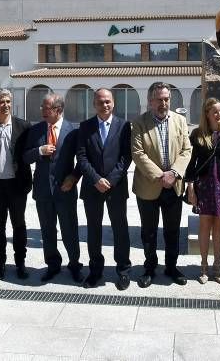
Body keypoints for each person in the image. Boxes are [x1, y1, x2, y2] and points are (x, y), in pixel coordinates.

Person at [131, 81, 192, 288]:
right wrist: (161, 176)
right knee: (148, 231)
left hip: (173, 186)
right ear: (150, 101)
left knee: (172, 230)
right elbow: (138, 154)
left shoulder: (180, 121)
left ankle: (171, 267)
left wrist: (173, 173)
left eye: (166, 99)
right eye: (159, 99)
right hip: (149, 186)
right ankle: (149, 268)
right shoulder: (139, 123)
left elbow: (186, 150)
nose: (163, 103)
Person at [22, 93, 83, 283]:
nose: (42, 111)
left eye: (46, 108)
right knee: (47, 230)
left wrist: (73, 177)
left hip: (65, 190)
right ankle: (53, 265)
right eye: (42, 107)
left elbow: (82, 159)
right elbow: (24, 157)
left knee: (69, 230)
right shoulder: (36, 130)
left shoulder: (73, 130)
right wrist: (39, 151)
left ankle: (74, 265)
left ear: (58, 110)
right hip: (42, 191)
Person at [76, 88, 133, 290]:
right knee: (94, 231)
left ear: (113, 103)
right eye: (100, 102)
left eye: (108, 101)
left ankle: (124, 270)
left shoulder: (124, 126)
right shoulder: (85, 127)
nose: (104, 105)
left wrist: (110, 179)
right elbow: (81, 157)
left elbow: (127, 157)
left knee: (120, 230)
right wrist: (96, 180)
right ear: (94, 104)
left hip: (116, 188)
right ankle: (95, 271)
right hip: (93, 188)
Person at [0, 89, 32, 281]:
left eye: (8, 101)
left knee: (19, 225)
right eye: (1, 102)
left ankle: (20, 263)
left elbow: (27, 154)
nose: (6, 105)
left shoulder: (23, 126)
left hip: (18, 185)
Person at [185, 97, 220, 285]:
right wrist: (190, 186)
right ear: (207, 114)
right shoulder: (197, 135)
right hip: (204, 186)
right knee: (205, 226)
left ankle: (217, 266)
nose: (219, 114)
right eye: (215, 111)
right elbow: (191, 164)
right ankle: (204, 266)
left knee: (219, 228)